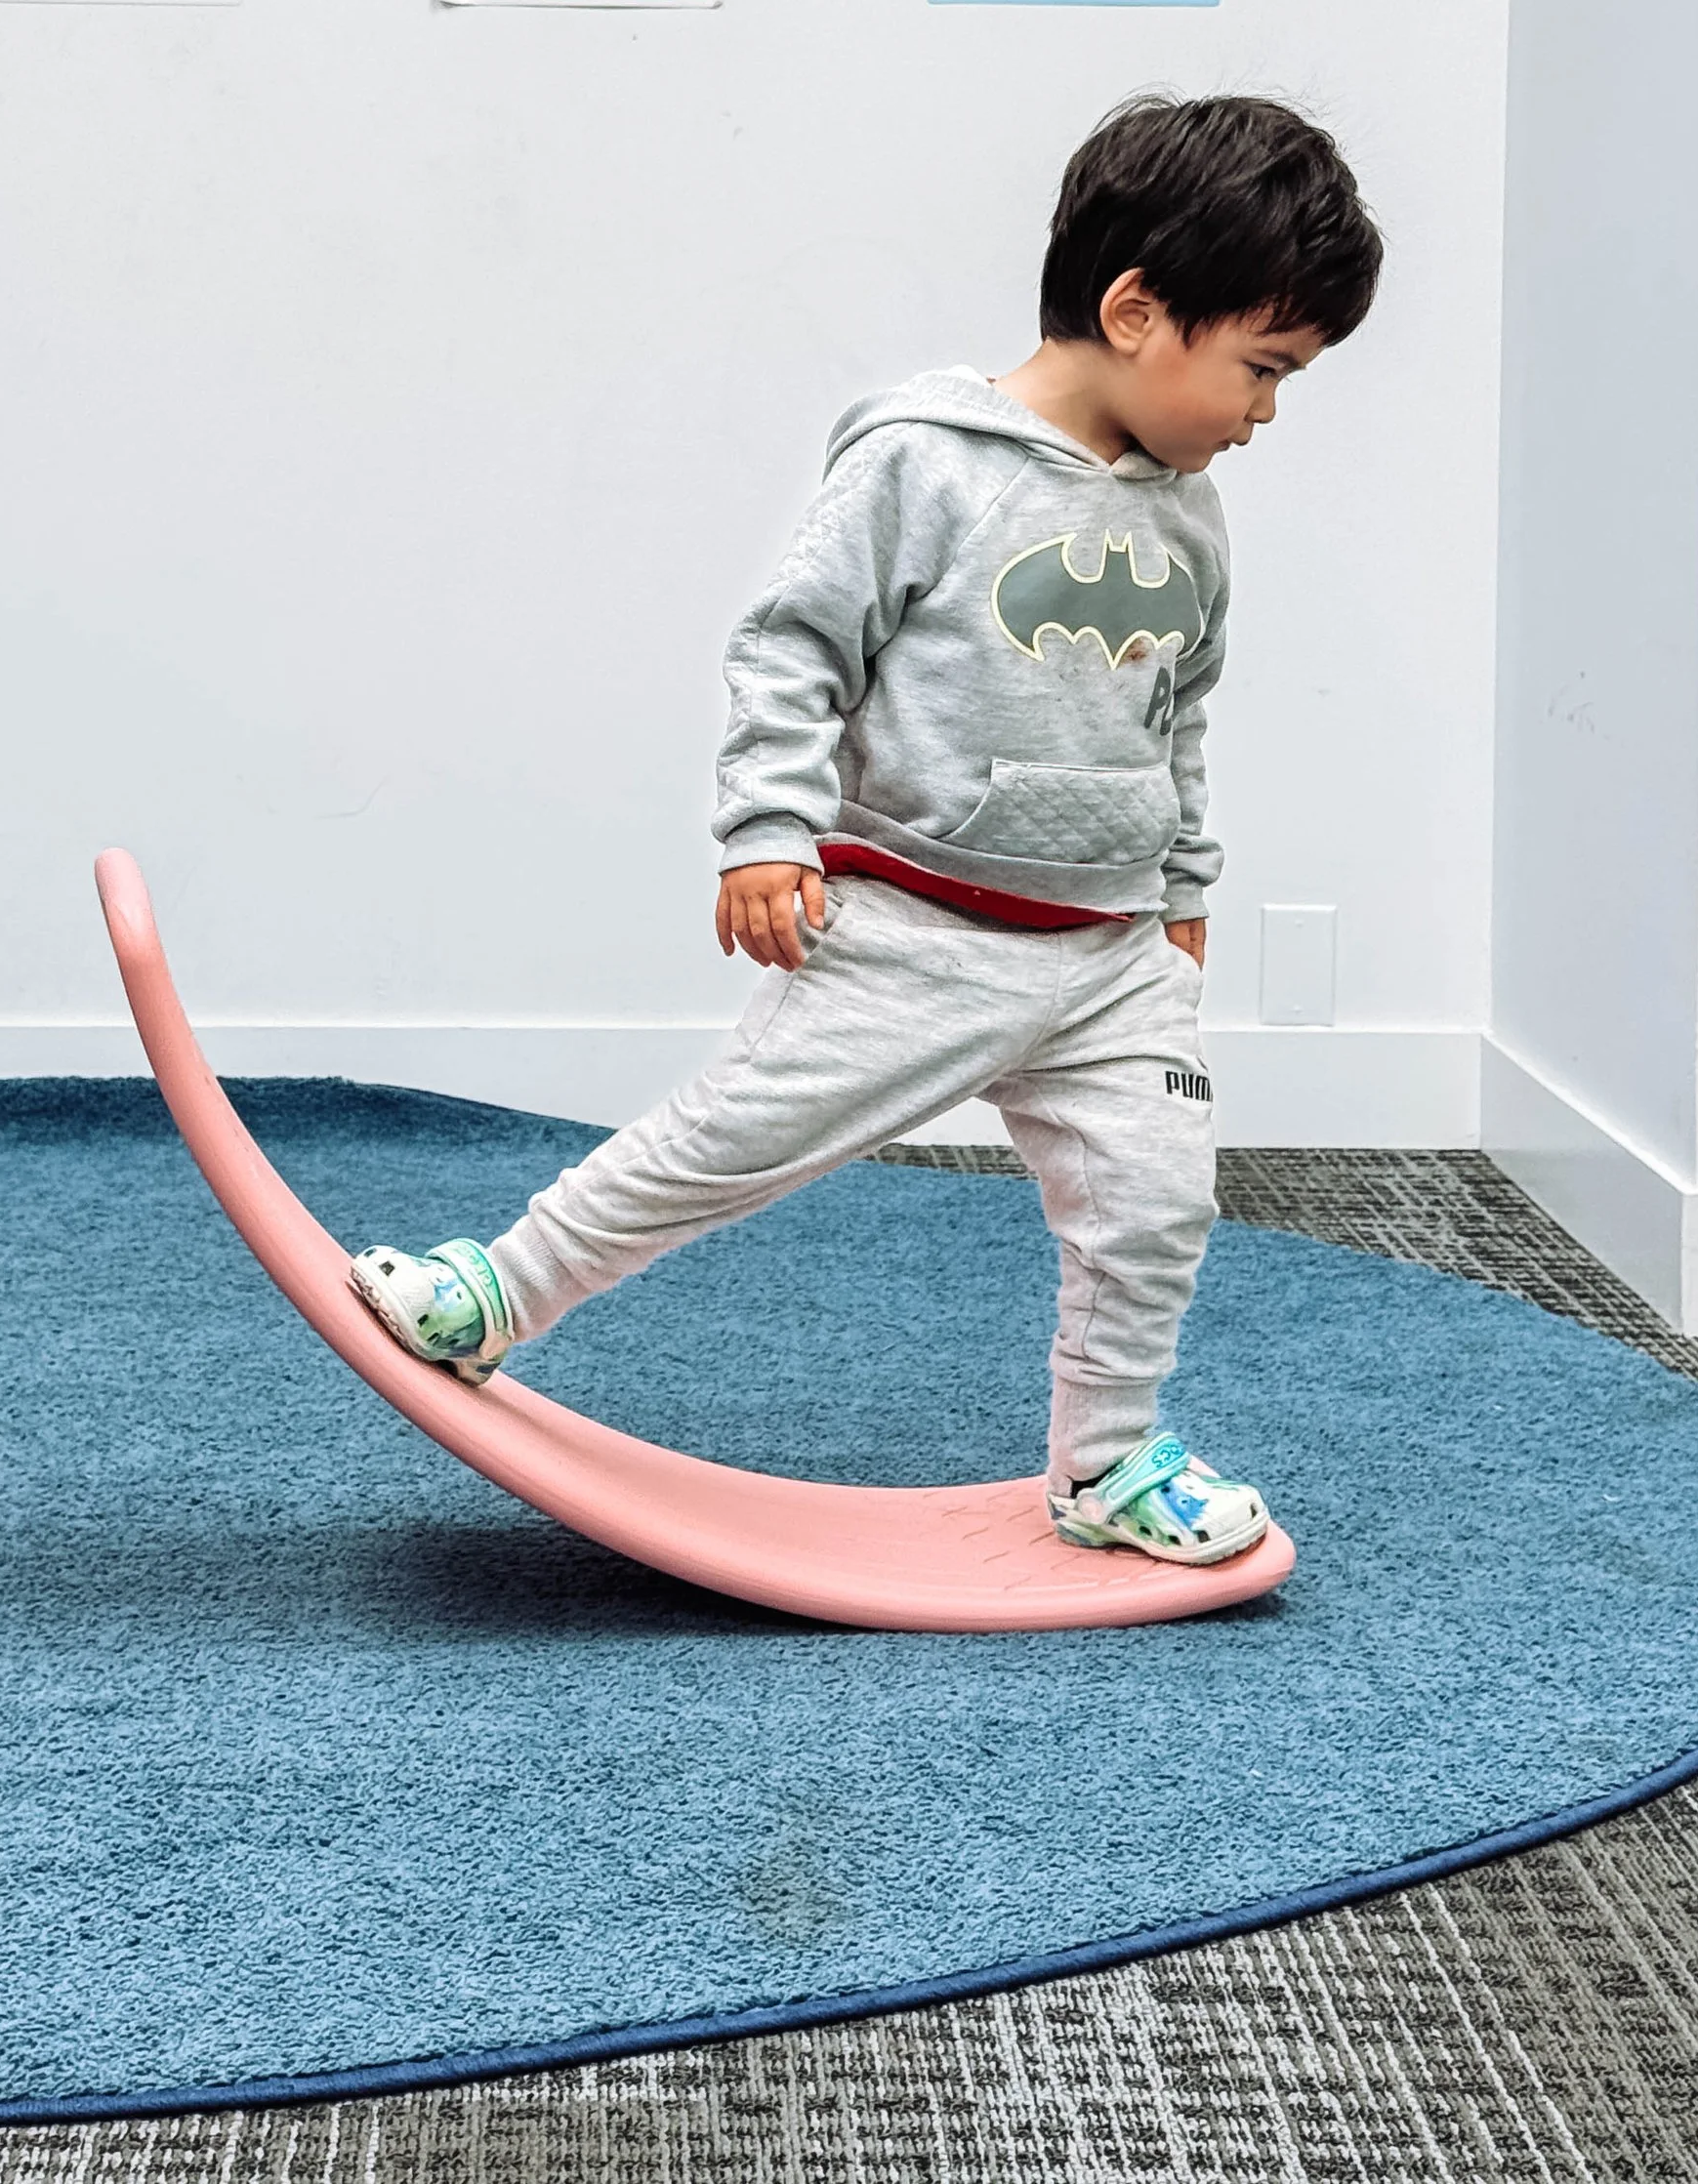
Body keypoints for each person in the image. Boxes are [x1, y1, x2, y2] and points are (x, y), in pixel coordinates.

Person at [354, 94, 1382, 1564]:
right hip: (916, 924)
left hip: (1109, 953)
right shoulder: (925, 462)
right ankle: (496, 1292)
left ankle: (1106, 1463)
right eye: (1262, 368)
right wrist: (768, 827)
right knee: (730, 1142)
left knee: (1156, 1205)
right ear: (1137, 311)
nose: (1266, 412)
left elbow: (1179, 716)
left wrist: (1182, 887)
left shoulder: (1190, 519)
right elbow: (794, 652)